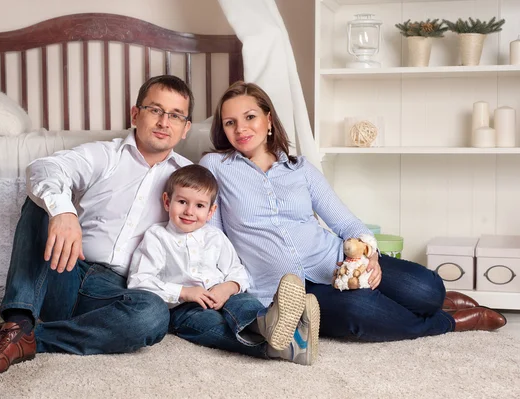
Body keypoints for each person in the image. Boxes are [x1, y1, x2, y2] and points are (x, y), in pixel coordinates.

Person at [198, 81, 507, 343]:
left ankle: (439, 303)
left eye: (249, 116)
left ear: (268, 119)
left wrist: (370, 256)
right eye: (230, 122)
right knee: (360, 314)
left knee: (428, 289)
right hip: (283, 290)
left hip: (339, 263)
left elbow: (345, 221)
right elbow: (215, 238)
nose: (241, 129)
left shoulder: (300, 168)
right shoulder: (215, 167)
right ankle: (450, 322)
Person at [0, 75, 198, 377]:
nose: (164, 122)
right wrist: (63, 213)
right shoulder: (104, 155)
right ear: (136, 114)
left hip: (117, 292)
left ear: (186, 128)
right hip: (66, 269)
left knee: (152, 315)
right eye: (155, 110)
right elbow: (45, 168)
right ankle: (19, 320)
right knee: (41, 201)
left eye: (175, 115)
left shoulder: (190, 179)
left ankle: (18, 337)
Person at [127, 164, 320, 365]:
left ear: (211, 211)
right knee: (211, 326)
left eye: (200, 206)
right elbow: (139, 281)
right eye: (182, 202)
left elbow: (237, 270)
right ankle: (289, 346)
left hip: (225, 296)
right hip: (185, 308)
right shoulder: (157, 237)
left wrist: (229, 287)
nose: (189, 211)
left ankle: (265, 322)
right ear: (167, 201)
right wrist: (184, 292)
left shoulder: (215, 237)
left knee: (244, 303)